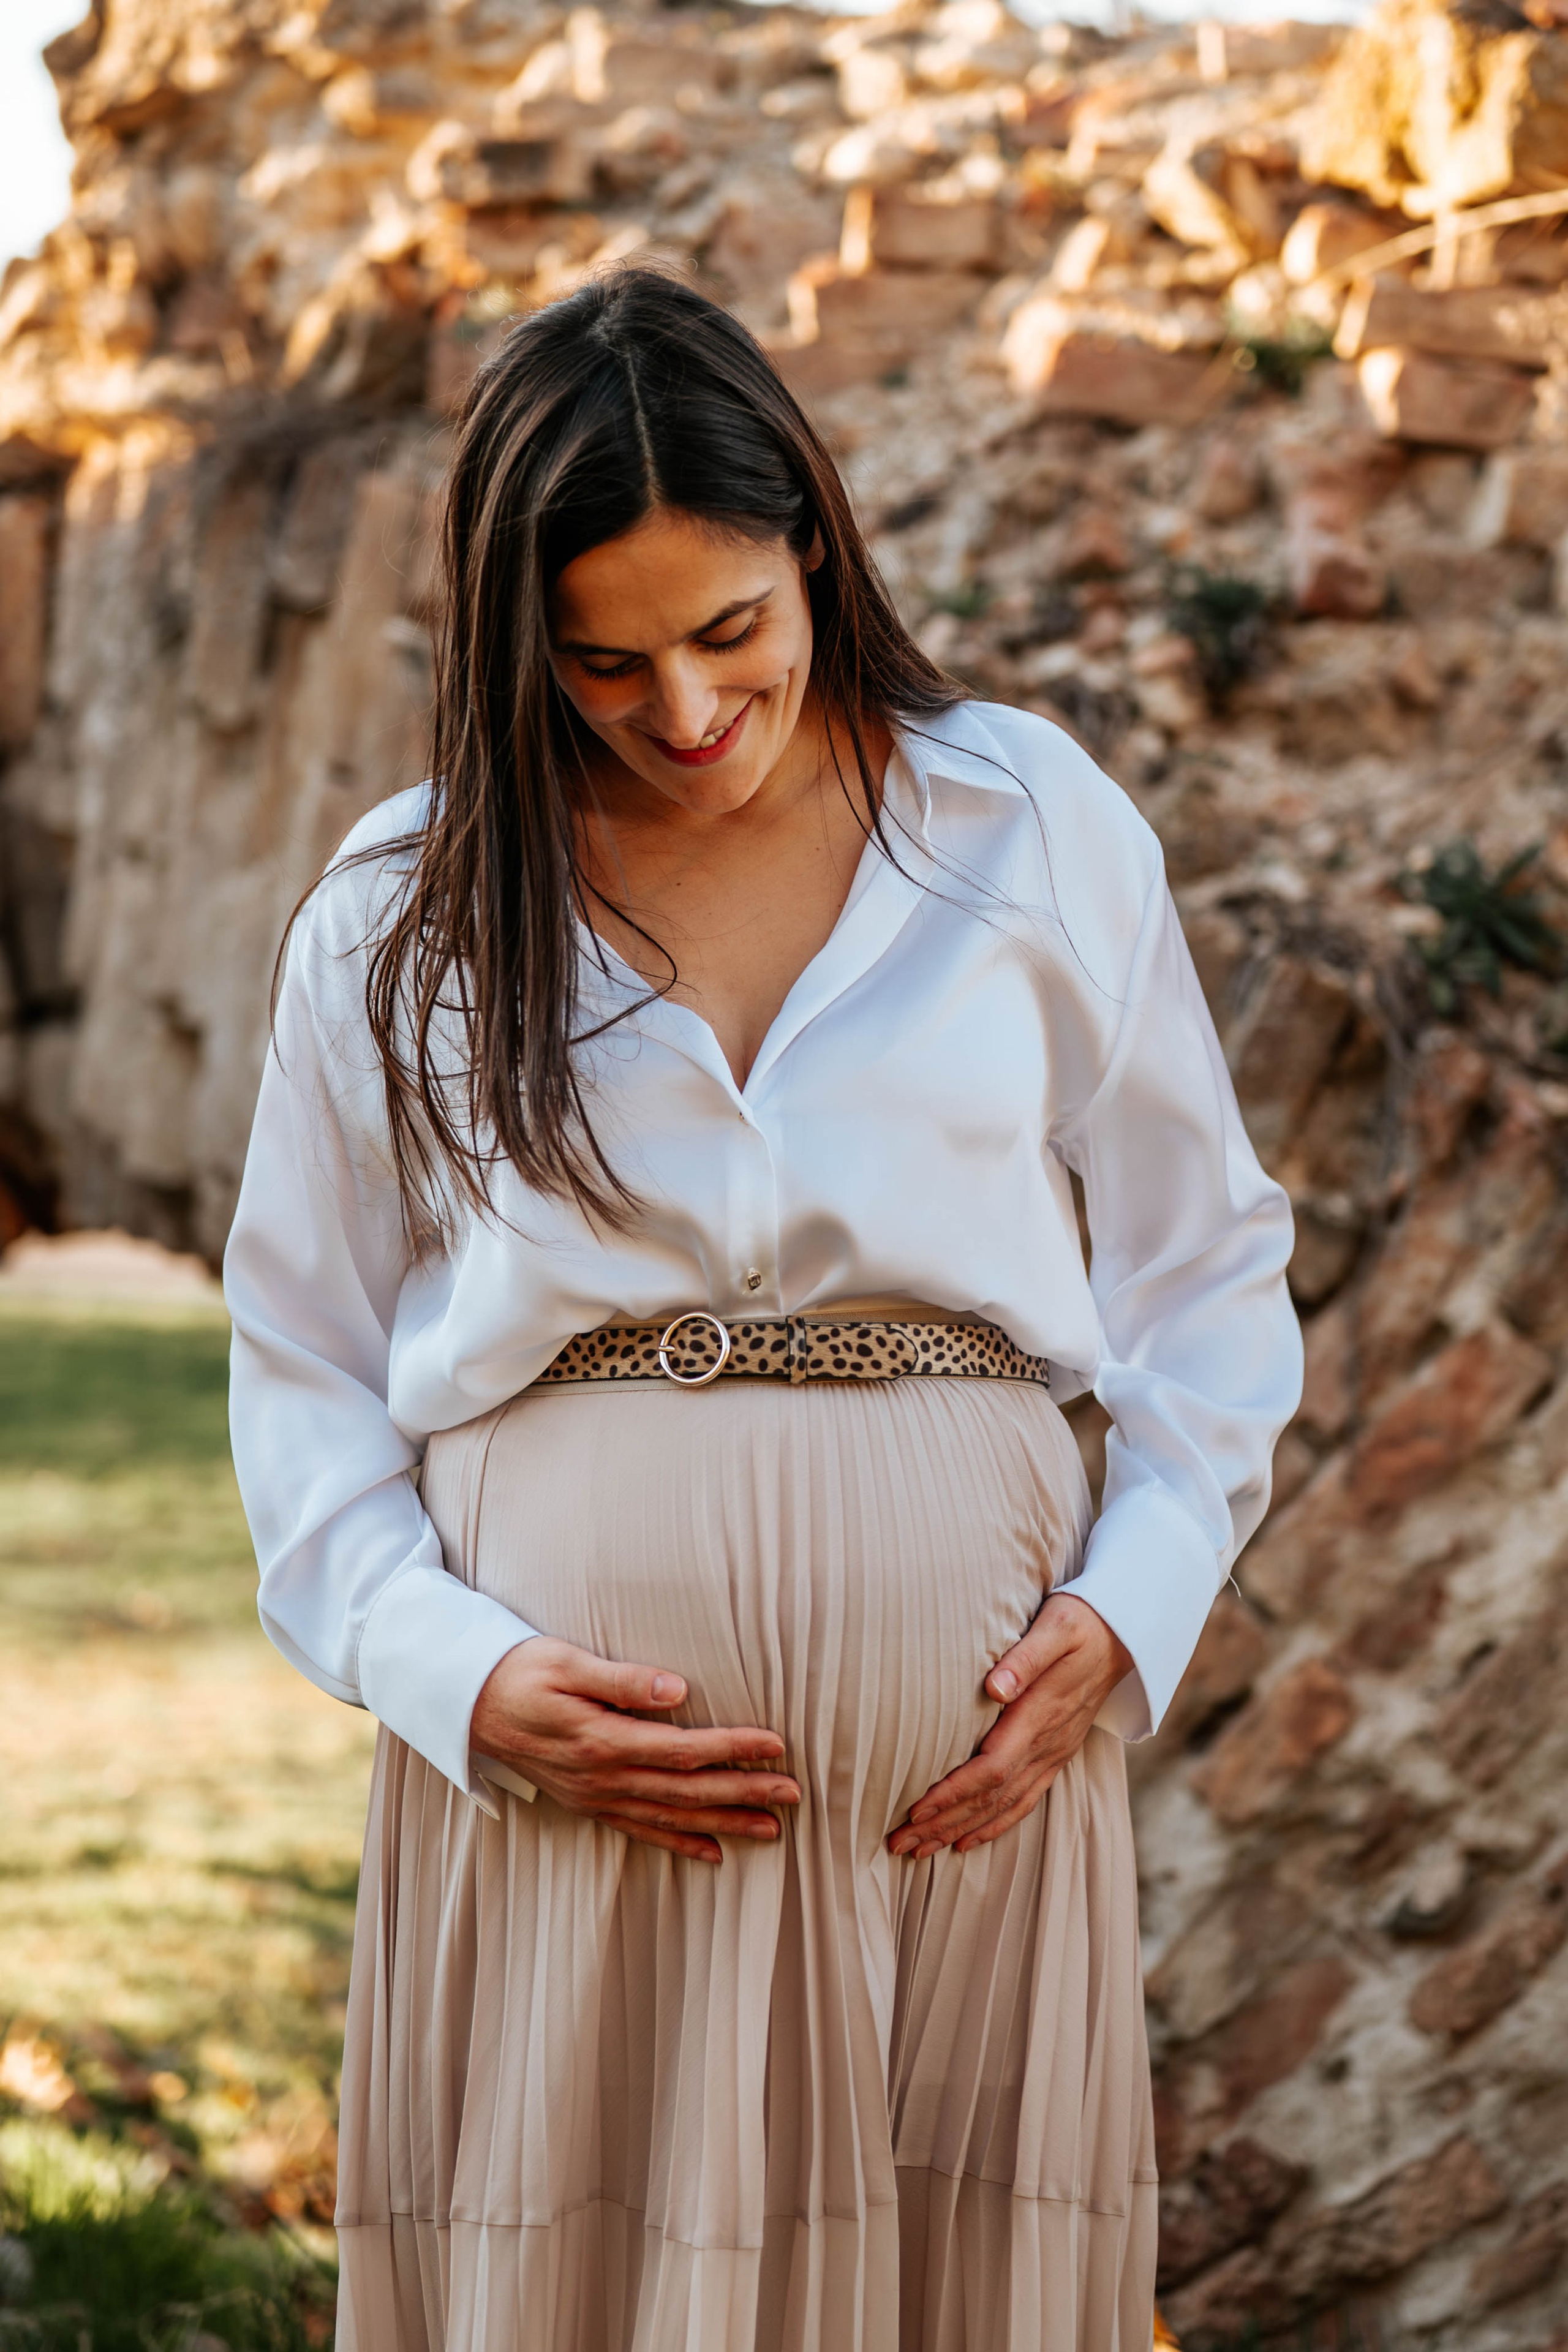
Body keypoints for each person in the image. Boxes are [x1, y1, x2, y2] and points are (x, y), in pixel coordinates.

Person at [224, 263, 1302, 2352]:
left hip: (961, 1825)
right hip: (570, 1824)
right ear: (515, 646)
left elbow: (1208, 1268)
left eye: (731, 632)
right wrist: (445, 1669)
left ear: (814, 536)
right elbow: (302, 1365)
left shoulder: (1023, 826)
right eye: (603, 662)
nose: (689, 711)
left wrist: (1134, 1604)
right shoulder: (406, 909)